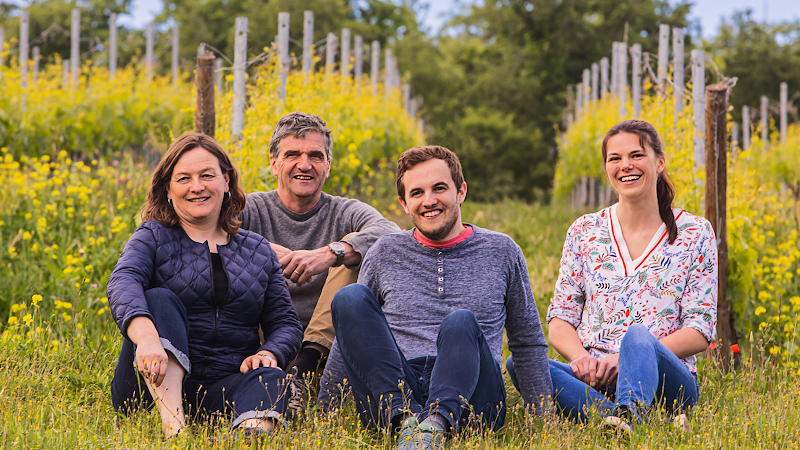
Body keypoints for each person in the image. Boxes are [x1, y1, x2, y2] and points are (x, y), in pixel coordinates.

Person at [319, 145, 552, 449]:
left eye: (439, 188)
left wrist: (544, 418)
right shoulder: (384, 252)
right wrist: (325, 411)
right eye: (417, 193)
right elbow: (350, 338)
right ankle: (407, 423)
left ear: (461, 192)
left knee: (460, 321)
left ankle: (436, 424)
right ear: (404, 203)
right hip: (397, 389)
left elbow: (527, 340)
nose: (428, 201)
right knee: (349, 298)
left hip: (475, 397)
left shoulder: (503, 251)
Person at [507, 119, 718, 433]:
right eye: (615, 158)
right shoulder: (584, 231)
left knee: (637, 335)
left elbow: (700, 330)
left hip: (668, 382)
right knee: (520, 365)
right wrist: (581, 359)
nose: (625, 165)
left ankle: (631, 413)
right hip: (596, 378)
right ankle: (626, 420)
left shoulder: (694, 232)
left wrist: (629, 356)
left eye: (636, 155)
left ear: (659, 163)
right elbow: (560, 320)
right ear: (606, 167)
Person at [108, 133, 303, 438]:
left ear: (226, 182)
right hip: (147, 384)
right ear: (168, 191)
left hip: (226, 385)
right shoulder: (153, 237)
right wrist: (146, 339)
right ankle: (175, 431)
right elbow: (123, 282)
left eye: (207, 175)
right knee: (159, 299)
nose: (196, 186)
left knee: (270, 377)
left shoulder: (258, 249)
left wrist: (271, 352)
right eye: (183, 178)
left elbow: (285, 322)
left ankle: (249, 437)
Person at [239, 112, 400, 411]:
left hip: (330, 345)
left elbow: (391, 234)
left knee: (355, 250)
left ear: (327, 166)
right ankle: (280, 369)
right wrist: (255, 246)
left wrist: (330, 253)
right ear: (273, 163)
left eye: (315, 155)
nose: (305, 164)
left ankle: (306, 367)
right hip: (263, 338)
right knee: (232, 244)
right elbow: (206, 228)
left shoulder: (345, 211)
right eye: (293, 155)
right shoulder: (251, 209)